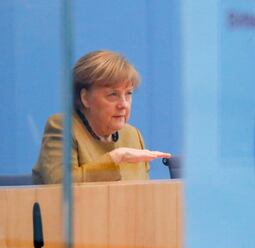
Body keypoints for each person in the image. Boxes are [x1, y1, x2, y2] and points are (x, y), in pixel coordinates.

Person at [32, 50, 171, 184]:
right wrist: (116, 157)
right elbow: (59, 184)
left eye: (128, 94)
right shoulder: (63, 127)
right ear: (85, 98)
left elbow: (142, 192)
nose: (123, 104)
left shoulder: (132, 135)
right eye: (113, 94)